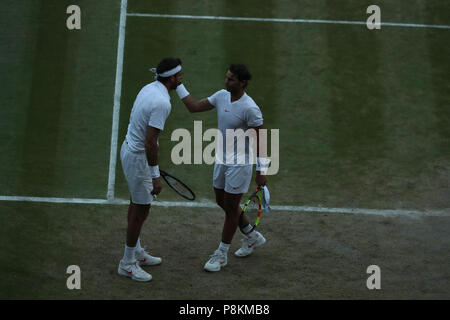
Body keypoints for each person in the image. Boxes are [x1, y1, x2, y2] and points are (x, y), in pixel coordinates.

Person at [175, 64, 269, 272]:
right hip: (221, 159)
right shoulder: (221, 95)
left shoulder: (250, 108)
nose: (226, 82)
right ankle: (251, 236)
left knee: (230, 209)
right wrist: (178, 85)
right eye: (226, 78)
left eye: (231, 80)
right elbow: (194, 107)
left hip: (240, 164)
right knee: (223, 202)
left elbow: (261, 139)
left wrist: (262, 171)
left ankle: (221, 254)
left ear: (242, 83)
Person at [118, 57, 183, 282]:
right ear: (172, 78)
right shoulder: (162, 103)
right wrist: (155, 177)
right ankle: (127, 263)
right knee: (141, 210)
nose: (181, 79)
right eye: (180, 76)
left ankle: (135, 252)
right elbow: (150, 142)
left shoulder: (149, 88)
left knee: (136, 204)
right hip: (137, 158)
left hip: (130, 151)